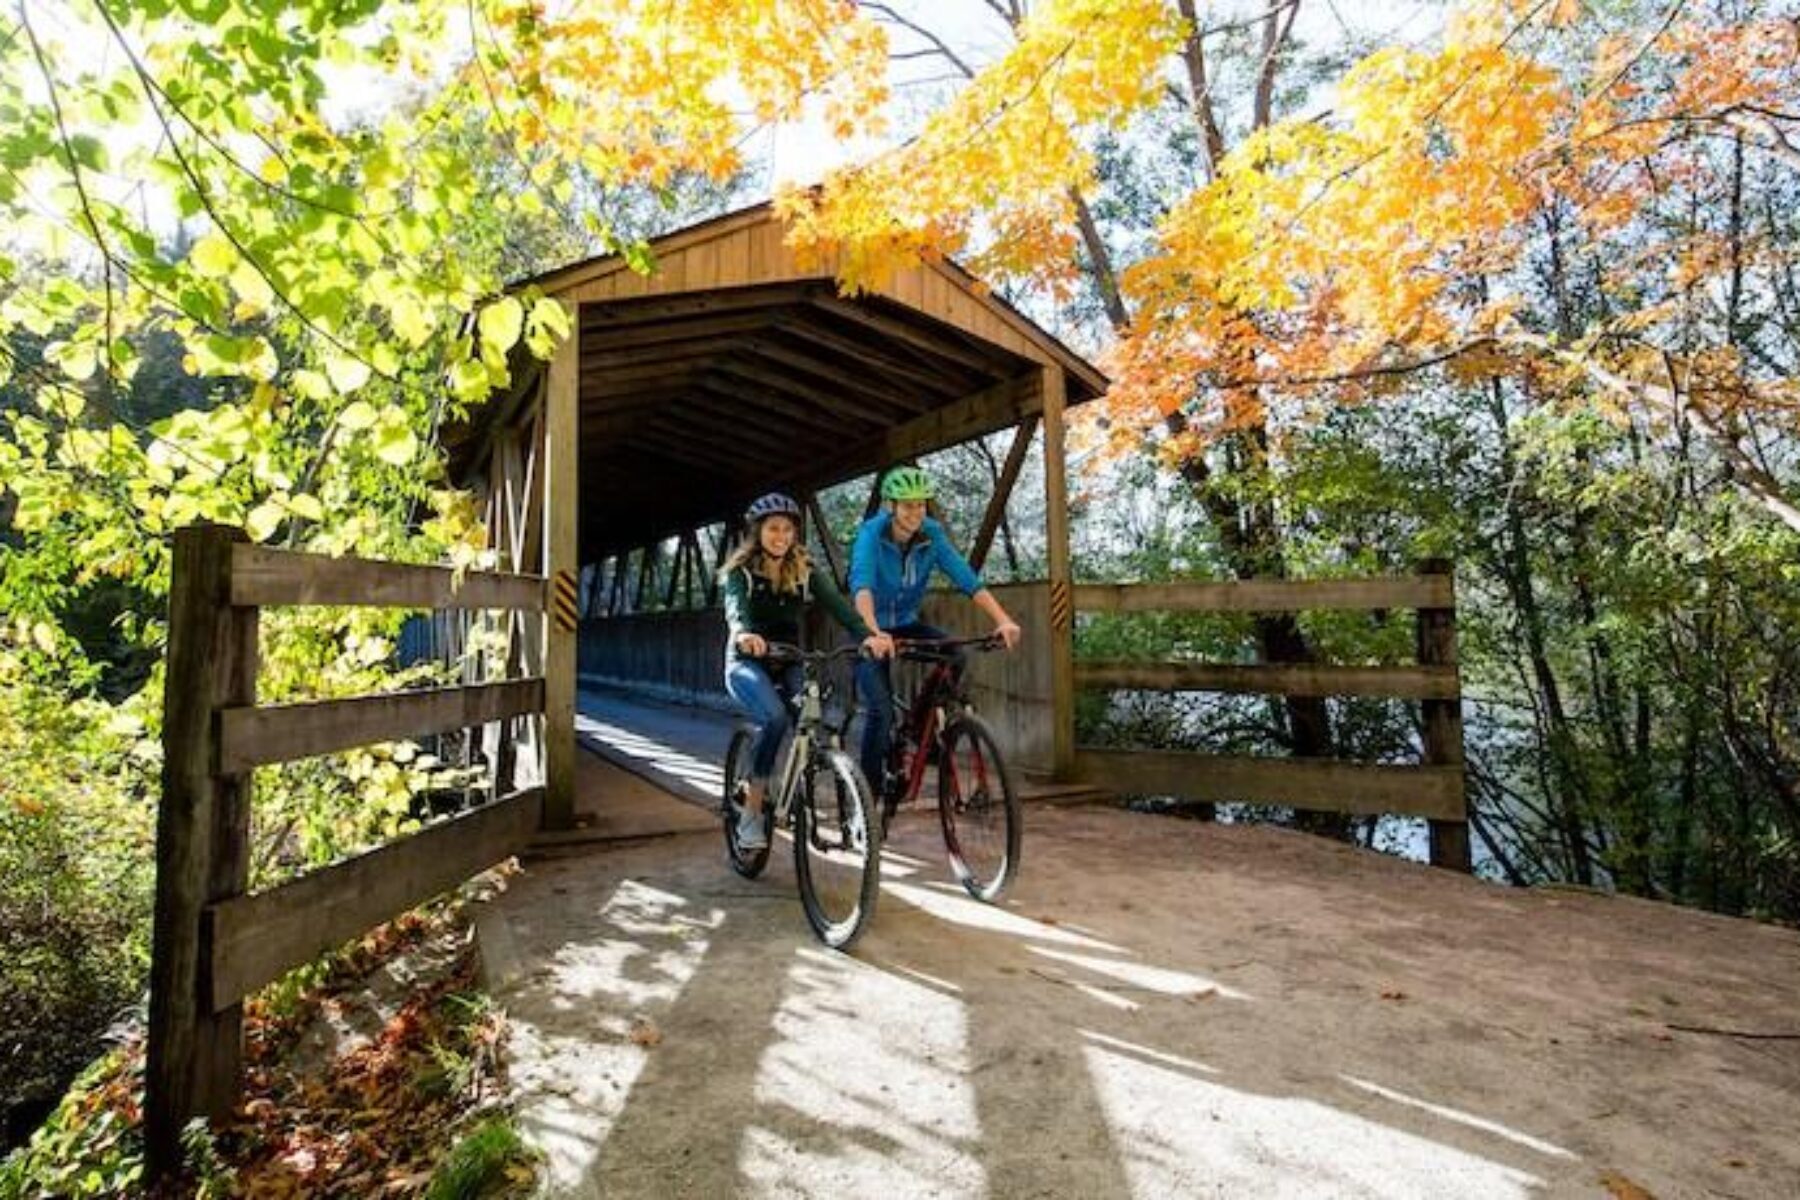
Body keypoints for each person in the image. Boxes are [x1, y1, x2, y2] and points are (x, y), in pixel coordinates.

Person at [722, 492, 892, 850]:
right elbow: (735, 610)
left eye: (787, 529)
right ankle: (752, 810)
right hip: (747, 661)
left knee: (818, 721)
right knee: (775, 719)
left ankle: (808, 796)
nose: (781, 536)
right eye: (773, 529)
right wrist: (743, 634)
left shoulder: (804, 570)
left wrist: (869, 637)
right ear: (757, 532)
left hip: (789, 659)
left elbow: (841, 609)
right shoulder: (740, 573)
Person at [848, 464, 1021, 798]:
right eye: (908, 504)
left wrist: (1002, 619)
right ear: (891, 506)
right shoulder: (871, 534)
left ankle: (919, 728)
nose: (916, 512)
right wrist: (872, 632)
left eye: (921, 504)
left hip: (906, 622)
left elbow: (965, 578)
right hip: (868, 626)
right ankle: (867, 796)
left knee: (956, 654)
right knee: (880, 712)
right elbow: (862, 584)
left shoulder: (931, 534)